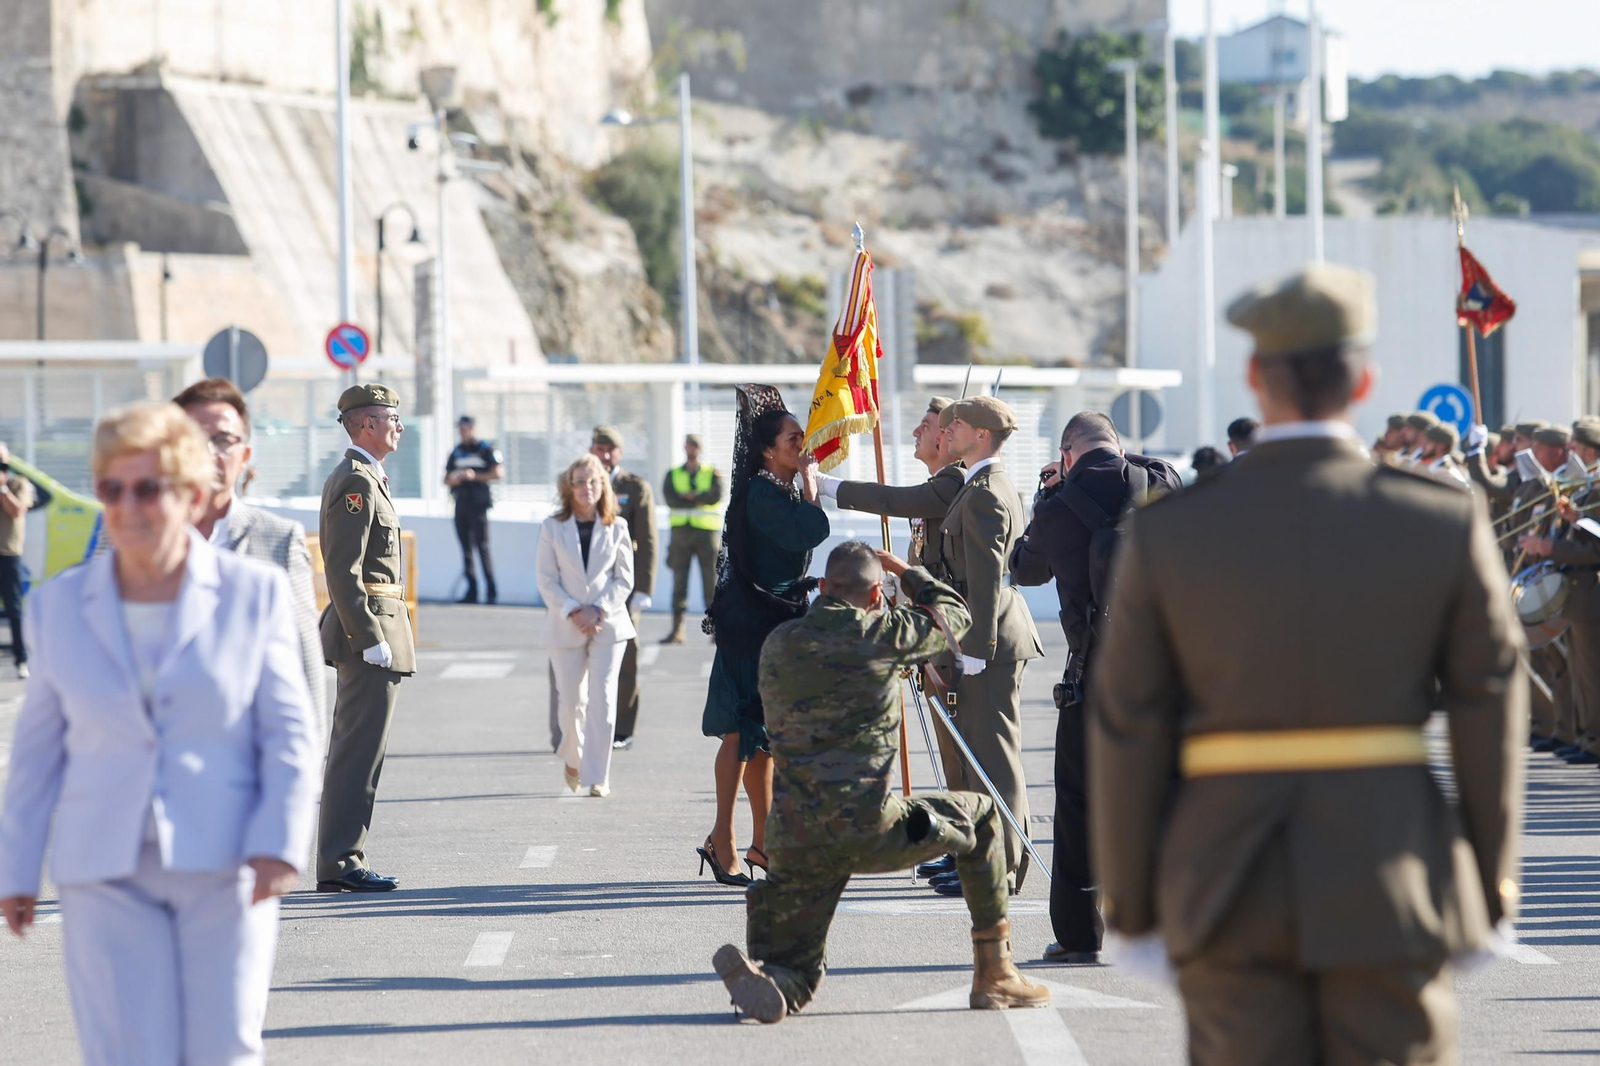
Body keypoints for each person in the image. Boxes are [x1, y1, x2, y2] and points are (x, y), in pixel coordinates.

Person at [1090, 263, 1525, 1065]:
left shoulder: (1173, 530)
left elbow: (1128, 722)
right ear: (1364, 380)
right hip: (1391, 870)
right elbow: (1488, 700)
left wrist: (1133, 902)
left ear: (1255, 377)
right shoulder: (1438, 517)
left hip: (1224, 878)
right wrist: (1490, 885)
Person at [0, 402, 318, 1065]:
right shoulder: (59, 605)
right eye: (113, 488)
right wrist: (17, 869)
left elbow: (288, 731)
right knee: (125, 1051)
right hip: (103, 867)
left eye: (149, 487)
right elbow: (36, 753)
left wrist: (281, 842)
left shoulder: (251, 594)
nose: (128, 505)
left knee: (222, 1049)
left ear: (193, 495)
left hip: (226, 863)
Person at [712, 541, 1049, 1022]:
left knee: (799, 969)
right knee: (983, 815)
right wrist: (907, 572)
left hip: (794, 834)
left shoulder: (779, 644)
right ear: (875, 596)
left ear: (823, 588)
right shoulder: (884, 634)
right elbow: (955, 615)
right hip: (867, 824)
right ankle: (995, 972)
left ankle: (777, 982)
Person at [1012, 412, 1182, 962]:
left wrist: (1049, 494)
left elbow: (1023, 569)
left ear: (1066, 454)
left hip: (1093, 680)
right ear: (1118, 445)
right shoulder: (1160, 482)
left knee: (1080, 807)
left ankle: (1080, 936)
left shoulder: (1057, 510)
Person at [816, 394, 968, 823]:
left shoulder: (953, 481)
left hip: (952, 631)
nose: (917, 432)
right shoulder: (940, 484)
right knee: (948, 747)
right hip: (931, 631)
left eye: (926, 424)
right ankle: (959, 843)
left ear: (947, 434)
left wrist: (827, 485)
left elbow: (893, 500)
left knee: (962, 747)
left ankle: (969, 844)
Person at [699, 386, 829, 888]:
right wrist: (812, 484)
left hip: (776, 620)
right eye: (794, 438)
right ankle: (723, 839)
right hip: (751, 625)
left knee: (765, 740)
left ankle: (763, 844)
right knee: (740, 731)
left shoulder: (779, 489)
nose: (802, 444)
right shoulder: (761, 491)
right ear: (768, 450)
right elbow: (809, 531)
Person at [930, 395, 1042, 895]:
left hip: (988, 639)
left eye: (958, 424)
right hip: (980, 636)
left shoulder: (985, 491)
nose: (947, 430)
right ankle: (984, 858)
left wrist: (975, 648)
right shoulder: (978, 483)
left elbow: (986, 581)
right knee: (982, 756)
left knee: (995, 758)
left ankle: (1003, 866)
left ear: (981, 435)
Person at [175, 378, 328, 742]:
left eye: (223, 441)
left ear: (244, 456)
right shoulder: (130, 535)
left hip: (247, 761)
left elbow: (304, 661)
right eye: (194, 440)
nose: (209, 453)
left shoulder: (278, 539)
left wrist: (305, 777)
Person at [316, 384, 416, 893]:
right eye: (391, 418)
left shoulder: (370, 478)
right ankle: (340, 861)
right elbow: (341, 568)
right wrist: (367, 634)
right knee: (356, 753)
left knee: (363, 752)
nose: (399, 426)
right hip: (370, 631)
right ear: (366, 425)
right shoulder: (354, 482)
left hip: (379, 626)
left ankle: (344, 858)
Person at [537, 454, 636, 797]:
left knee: (604, 701)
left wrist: (599, 610)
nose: (586, 488)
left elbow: (624, 579)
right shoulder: (552, 527)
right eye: (579, 482)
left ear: (603, 486)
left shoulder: (617, 526)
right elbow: (546, 580)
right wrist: (574, 611)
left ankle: (598, 777)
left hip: (608, 626)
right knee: (571, 703)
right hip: (566, 626)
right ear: (569, 486)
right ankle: (573, 757)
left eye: (593, 481)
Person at [588, 427, 656, 751]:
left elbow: (648, 538)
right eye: (598, 448)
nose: (603, 455)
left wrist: (644, 588)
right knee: (584, 658)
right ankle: (590, 724)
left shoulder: (634, 487)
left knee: (627, 656)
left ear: (619, 453)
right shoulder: (581, 482)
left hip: (623, 587)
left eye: (609, 450)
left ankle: (623, 729)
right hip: (588, 585)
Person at [661, 433, 723, 645]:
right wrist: (698, 499)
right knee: (679, 584)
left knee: (710, 585)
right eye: (689, 445)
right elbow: (670, 499)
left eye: (695, 445)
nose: (692, 449)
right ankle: (677, 631)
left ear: (700, 448)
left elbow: (716, 496)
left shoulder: (711, 472)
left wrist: (690, 498)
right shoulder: (673, 474)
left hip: (706, 535)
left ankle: (716, 630)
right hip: (681, 535)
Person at [445, 414, 503, 604]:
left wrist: (474, 476)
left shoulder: (484, 449)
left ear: (473, 428)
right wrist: (455, 478)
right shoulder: (457, 451)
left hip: (478, 506)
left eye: (466, 427)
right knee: (466, 549)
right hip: (461, 503)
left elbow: (498, 473)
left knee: (482, 547)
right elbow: (446, 478)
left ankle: (491, 591)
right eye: (460, 428)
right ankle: (472, 591)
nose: (463, 431)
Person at [0, 441, 34, 679]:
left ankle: (21, 659)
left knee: (14, 609)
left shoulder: (19, 483)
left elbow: (17, 510)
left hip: (8, 554)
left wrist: (2, 488)